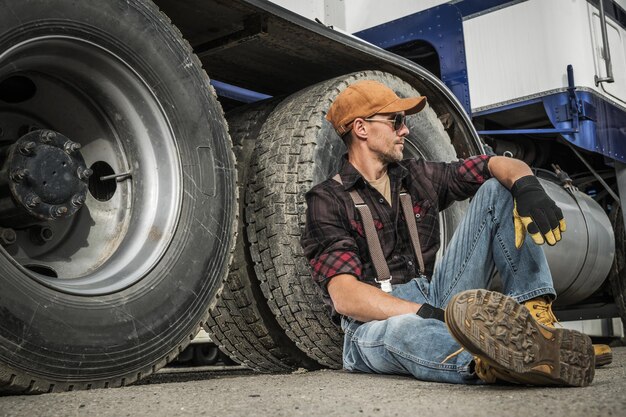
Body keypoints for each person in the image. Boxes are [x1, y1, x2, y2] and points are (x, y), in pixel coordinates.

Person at [300, 79, 600, 387]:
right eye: (396, 121)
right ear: (361, 128)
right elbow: (346, 297)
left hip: (435, 295)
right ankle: (495, 360)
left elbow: (493, 164)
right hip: (372, 323)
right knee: (403, 330)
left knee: (498, 188)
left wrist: (527, 185)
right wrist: (425, 313)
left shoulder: (416, 177)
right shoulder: (327, 200)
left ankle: (537, 328)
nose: (405, 130)